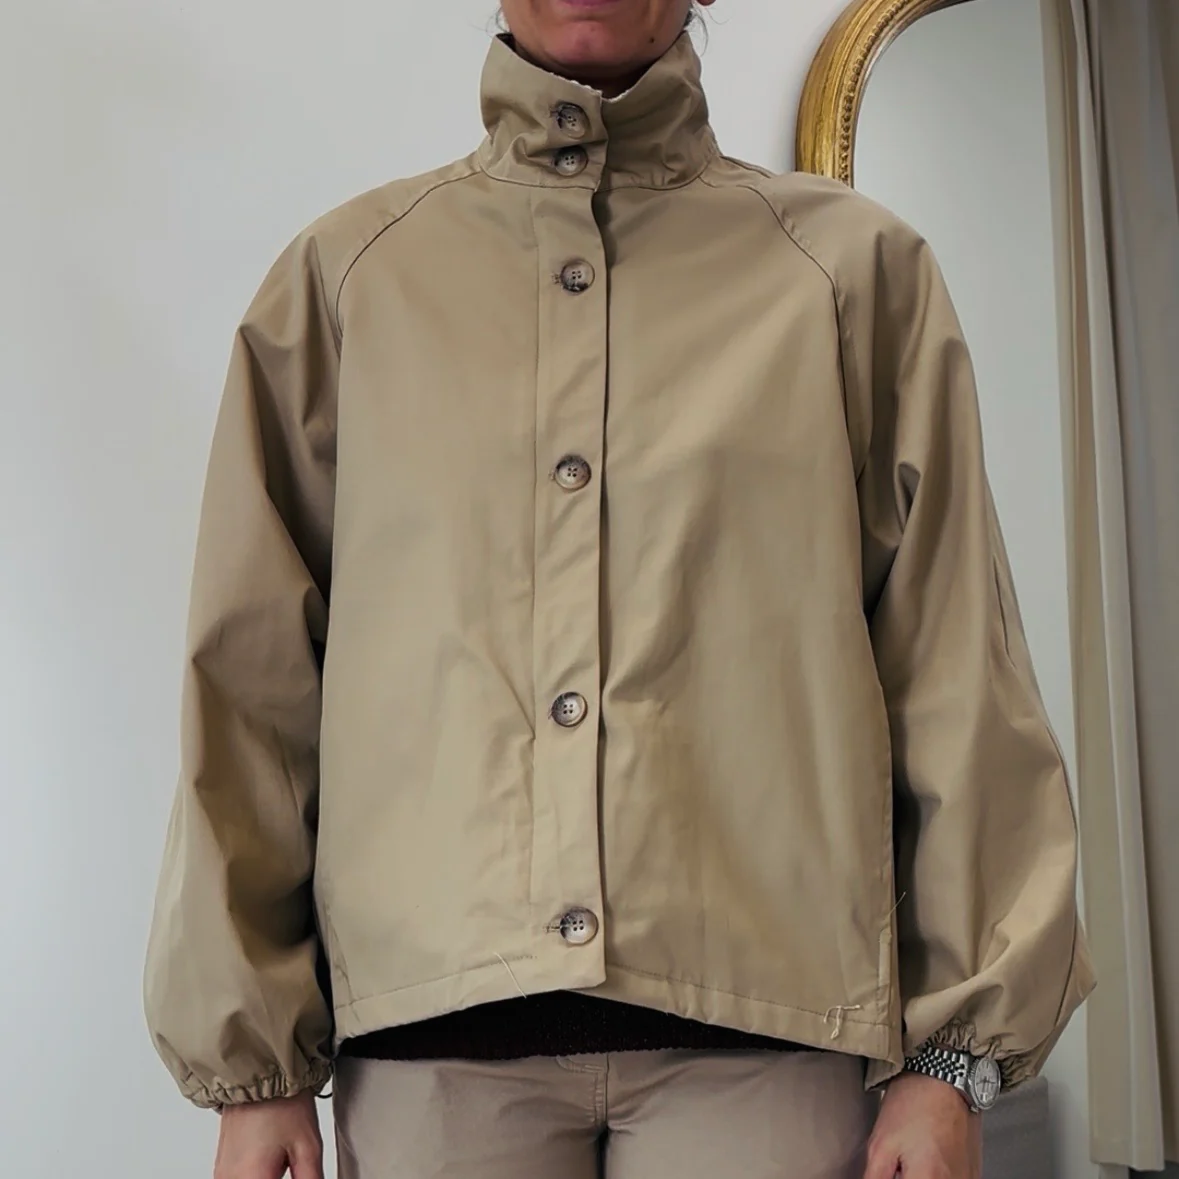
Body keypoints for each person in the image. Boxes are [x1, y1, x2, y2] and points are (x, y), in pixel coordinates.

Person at [143, 2, 1095, 1177]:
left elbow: (954, 667)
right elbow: (252, 690)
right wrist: (258, 1068)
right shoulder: (346, 283)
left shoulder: (854, 275)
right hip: (436, 1058)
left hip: (769, 1046)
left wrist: (952, 1060)